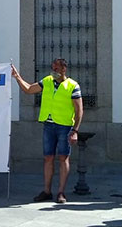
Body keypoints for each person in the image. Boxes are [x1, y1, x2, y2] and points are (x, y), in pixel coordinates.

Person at [11, 58, 83, 204]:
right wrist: (17, 77)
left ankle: (61, 192)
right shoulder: (47, 81)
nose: (53, 70)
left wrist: (75, 130)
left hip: (64, 126)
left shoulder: (73, 86)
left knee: (63, 158)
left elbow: (79, 109)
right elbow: (29, 89)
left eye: (56, 68)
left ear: (64, 69)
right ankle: (47, 191)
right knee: (48, 158)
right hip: (48, 125)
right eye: (52, 68)